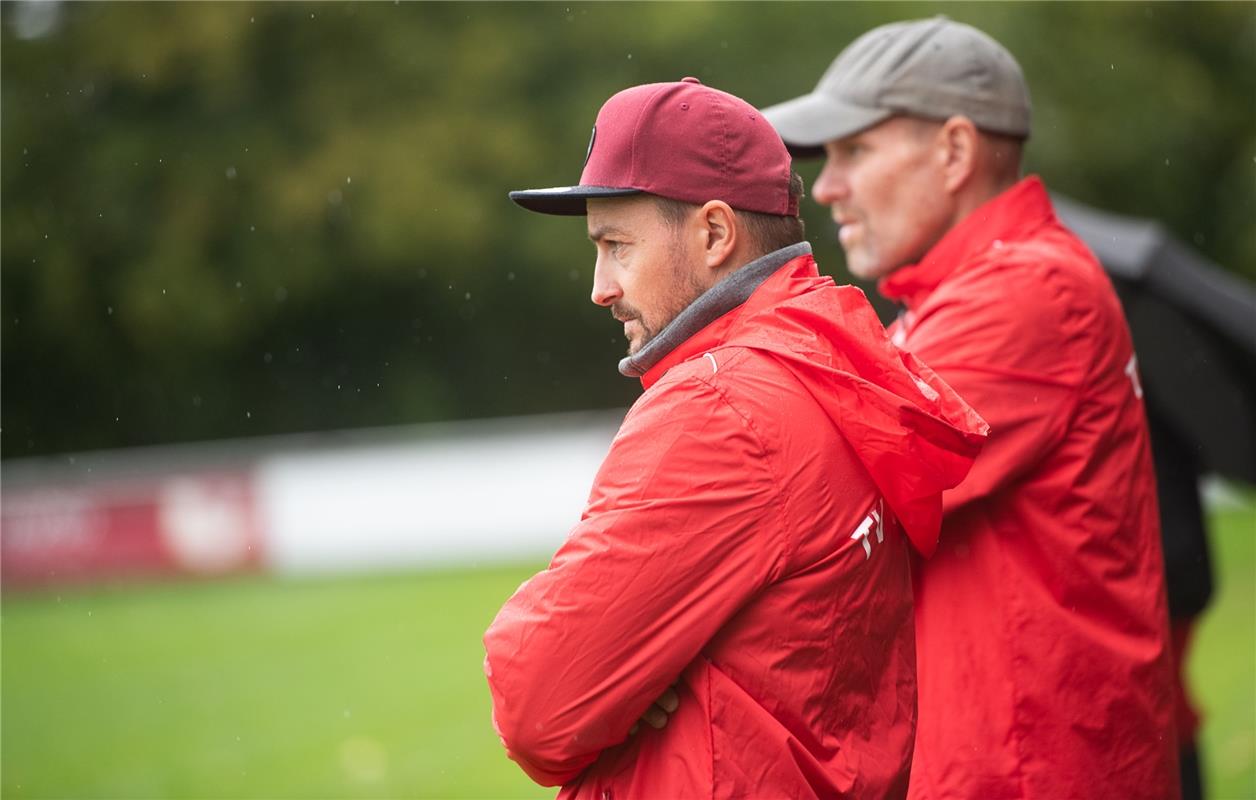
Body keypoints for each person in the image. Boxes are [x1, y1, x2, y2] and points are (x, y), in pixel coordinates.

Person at [484, 77, 987, 797]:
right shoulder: (826, 359)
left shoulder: (721, 406)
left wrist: (619, 673)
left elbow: (537, 703)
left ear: (716, 234)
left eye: (616, 245)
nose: (599, 286)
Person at [762, 17, 1180, 800]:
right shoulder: (967, 292)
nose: (824, 187)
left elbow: (801, 495)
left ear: (954, 152)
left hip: (1029, 775)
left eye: (854, 151)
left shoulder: (1026, 290)